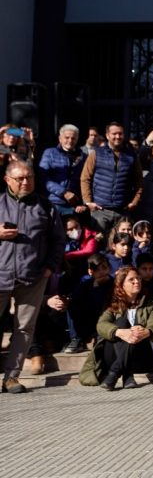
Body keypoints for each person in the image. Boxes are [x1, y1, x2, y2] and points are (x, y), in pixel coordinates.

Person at [0, 161, 66, 394]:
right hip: (1, 275)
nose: (26, 182)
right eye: (20, 178)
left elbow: (59, 240)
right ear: (7, 180)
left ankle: (11, 377)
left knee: (25, 328)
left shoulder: (45, 206)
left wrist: (49, 268)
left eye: (29, 177)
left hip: (33, 277)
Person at [80, 266, 153, 390]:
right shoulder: (112, 304)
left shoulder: (149, 303)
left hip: (142, 358)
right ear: (121, 284)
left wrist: (146, 332)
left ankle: (114, 372)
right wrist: (120, 332)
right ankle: (127, 375)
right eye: (131, 279)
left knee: (137, 328)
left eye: (138, 278)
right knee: (121, 323)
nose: (137, 281)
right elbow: (101, 325)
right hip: (113, 357)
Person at [80, 122, 144, 234]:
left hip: (123, 210)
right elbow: (85, 178)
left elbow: (139, 181)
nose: (118, 136)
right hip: (100, 210)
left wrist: (135, 201)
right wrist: (88, 202)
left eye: (120, 134)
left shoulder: (132, 156)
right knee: (99, 242)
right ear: (107, 135)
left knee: (121, 242)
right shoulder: (96, 153)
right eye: (114, 134)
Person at [38, 124, 88, 218]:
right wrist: (64, 192)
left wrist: (83, 202)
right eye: (67, 137)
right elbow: (43, 177)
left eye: (73, 138)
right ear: (60, 138)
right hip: (53, 201)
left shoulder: (83, 157)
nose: (70, 141)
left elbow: (86, 180)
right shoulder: (50, 153)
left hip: (75, 204)